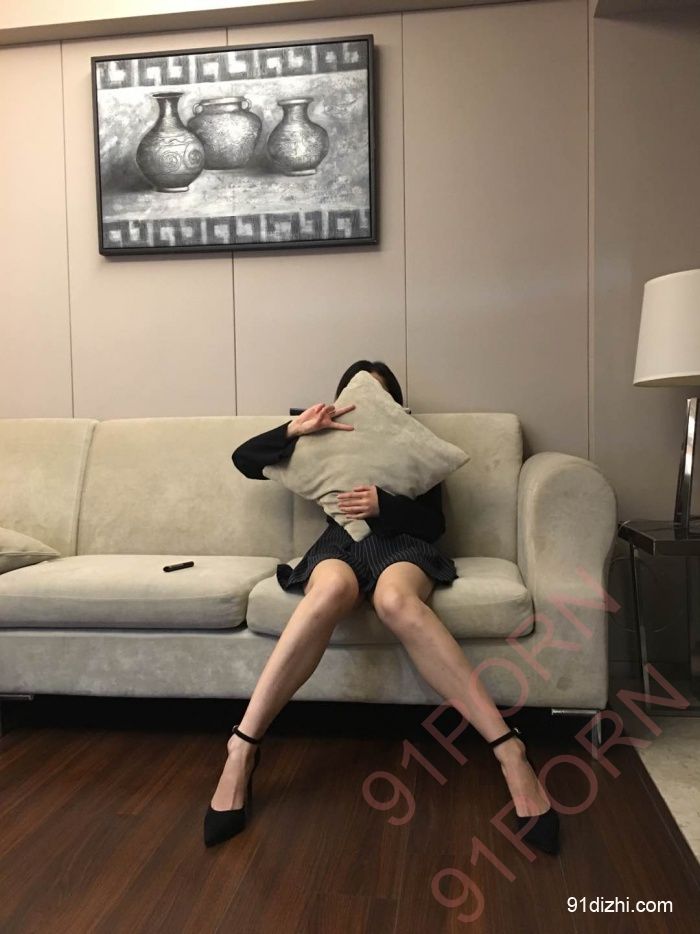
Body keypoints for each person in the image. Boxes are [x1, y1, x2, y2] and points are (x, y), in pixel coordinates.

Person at [204, 360, 558, 855]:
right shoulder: (323, 439)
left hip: (402, 543)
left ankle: (509, 748)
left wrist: (383, 506)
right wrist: (297, 428)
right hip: (337, 544)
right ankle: (242, 747)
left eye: (383, 393)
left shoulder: (411, 445)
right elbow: (245, 459)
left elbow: (433, 524)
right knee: (329, 591)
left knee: (395, 601)